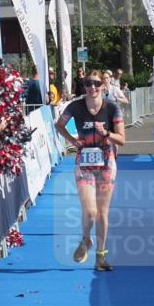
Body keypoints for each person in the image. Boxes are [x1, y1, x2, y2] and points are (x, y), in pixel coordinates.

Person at [55, 72, 126, 272]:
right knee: (90, 210)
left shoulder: (112, 108)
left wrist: (107, 133)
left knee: (102, 212)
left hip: (106, 162)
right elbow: (59, 125)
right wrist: (72, 140)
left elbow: (122, 139)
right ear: (84, 86)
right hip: (84, 161)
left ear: (103, 86)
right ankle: (86, 240)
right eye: (88, 84)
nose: (92, 87)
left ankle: (100, 257)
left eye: (96, 84)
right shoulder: (75, 107)